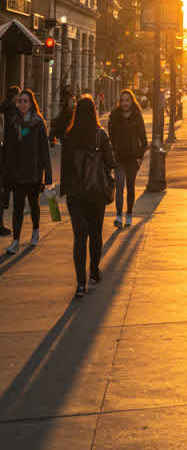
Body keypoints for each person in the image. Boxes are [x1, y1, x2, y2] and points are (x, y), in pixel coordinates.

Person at [59, 96, 115, 297]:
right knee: (95, 233)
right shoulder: (101, 135)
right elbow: (111, 161)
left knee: (79, 237)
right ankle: (94, 271)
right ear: (94, 112)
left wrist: (64, 190)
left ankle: (80, 283)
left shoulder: (70, 135)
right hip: (96, 191)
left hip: (76, 193)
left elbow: (65, 167)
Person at [2, 88, 52, 255]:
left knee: (33, 205)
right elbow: (8, 149)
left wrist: (48, 176)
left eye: (25, 101)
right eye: (20, 101)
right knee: (17, 208)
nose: (22, 104)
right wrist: (6, 172)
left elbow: (44, 150)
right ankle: (15, 241)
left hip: (34, 173)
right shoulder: (13, 122)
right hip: (17, 173)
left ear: (31, 104)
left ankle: (36, 230)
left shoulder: (38, 123)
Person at [108, 90, 147, 228]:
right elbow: (110, 137)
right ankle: (119, 216)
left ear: (132, 101)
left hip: (132, 158)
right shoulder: (114, 116)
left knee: (130, 188)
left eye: (127, 100)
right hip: (118, 158)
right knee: (119, 187)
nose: (125, 103)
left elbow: (144, 139)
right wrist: (111, 153)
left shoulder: (137, 116)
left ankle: (129, 214)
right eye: (123, 100)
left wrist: (139, 157)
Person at [0, 85, 19, 236]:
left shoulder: (2, 109)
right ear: (14, 97)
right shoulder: (12, 111)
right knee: (3, 191)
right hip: (6, 156)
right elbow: (15, 133)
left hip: (3, 153)